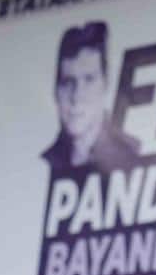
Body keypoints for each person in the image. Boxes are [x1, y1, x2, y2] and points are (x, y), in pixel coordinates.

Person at [42, 20, 140, 177]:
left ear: (106, 84)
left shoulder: (135, 155)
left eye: (89, 80)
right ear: (56, 90)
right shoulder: (42, 165)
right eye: (68, 82)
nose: (76, 96)